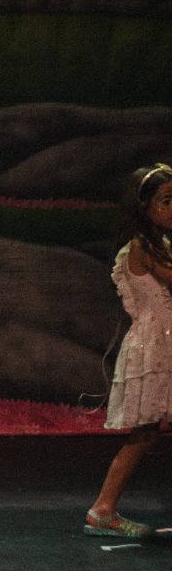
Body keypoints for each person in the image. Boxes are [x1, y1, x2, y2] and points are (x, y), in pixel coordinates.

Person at [85, 164, 172, 537]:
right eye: (166, 200)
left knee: (146, 434)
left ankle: (103, 510)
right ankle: (102, 511)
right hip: (155, 345)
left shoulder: (162, 244)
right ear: (144, 207)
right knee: (144, 434)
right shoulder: (141, 247)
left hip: (165, 340)